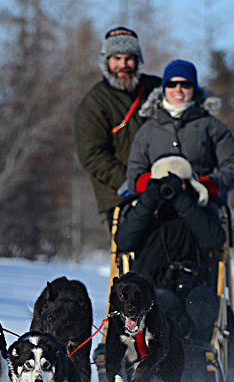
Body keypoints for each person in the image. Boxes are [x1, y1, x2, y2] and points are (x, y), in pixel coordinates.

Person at [116, 154, 234, 382]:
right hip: (153, 286)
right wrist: (149, 200)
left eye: (176, 182)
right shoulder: (143, 210)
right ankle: (160, 366)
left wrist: (182, 200)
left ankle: (206, 365)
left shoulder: (201, 207)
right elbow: (124, 240)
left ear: (188, 183)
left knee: (205, 303)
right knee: (162, 302)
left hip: (195, 284)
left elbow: (214, 239)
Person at [73, 27, 163, 232]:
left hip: (163, 185)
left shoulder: (157, 89)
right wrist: (131, 181)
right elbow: (92, 155)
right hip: (119, 194)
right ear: (106, 62)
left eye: (129, 58)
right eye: (116, 58)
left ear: (138, 59)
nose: (123, 65)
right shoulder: (94, 103)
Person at [126, 59, 234, 200]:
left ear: (194, 89)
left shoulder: (213, 127)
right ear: (164, 88)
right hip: (158, 207)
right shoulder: (147, 131)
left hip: (201, 205)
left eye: (185, 84)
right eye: (171, 84)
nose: (178, 89)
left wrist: (210, 184)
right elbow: (134, 175)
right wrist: (152, 184)